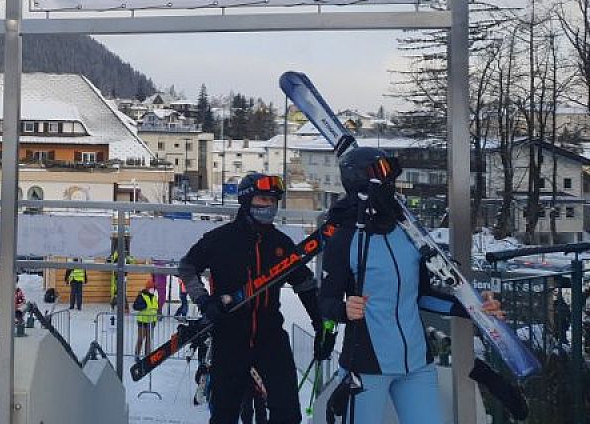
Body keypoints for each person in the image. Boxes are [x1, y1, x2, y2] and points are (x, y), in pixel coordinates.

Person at [320, 147, 504, 424]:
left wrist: (475, 309)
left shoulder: (408, 233)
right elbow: (326, 301)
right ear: (359, 181)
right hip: (367, 365)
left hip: (417, 363)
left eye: (390, 177)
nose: (389, 184)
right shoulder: (343, 239)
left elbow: (423, 297)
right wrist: (345, 308)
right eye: (381, 176)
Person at [178, 172, 332, 424]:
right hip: (229, 336)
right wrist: (204, 301)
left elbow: (304, 284)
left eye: (273, 201)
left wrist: (319, 324)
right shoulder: (221, 239)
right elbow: (187, 268)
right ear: (246, 200)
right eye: (263, 199)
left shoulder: (280, 243)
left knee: (287, 413)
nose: (269, 206)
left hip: (270, 336)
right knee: (225, 414)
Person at [133, 278, 159, 358]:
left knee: (148, 339)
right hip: (142, 321)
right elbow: (135, 306)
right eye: (151, 288)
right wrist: (143, 306)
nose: (152, 290)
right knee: (141, 339)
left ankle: (147, 356)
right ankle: (137, 355)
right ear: (147, 288)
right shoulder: (141, 296)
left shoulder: (154, 297)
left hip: (152, 321)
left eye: (153, 288)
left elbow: (156, 308)